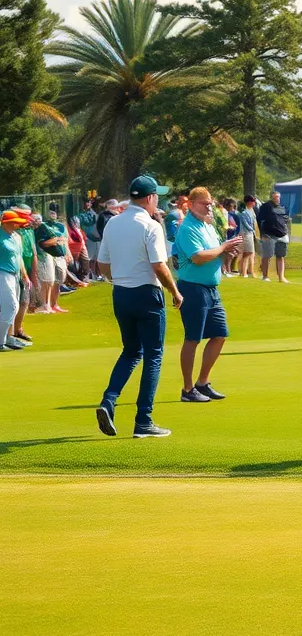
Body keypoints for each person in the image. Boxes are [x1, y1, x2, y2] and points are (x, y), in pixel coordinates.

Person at [94, 175, 182, 439]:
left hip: (121, 294)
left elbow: (103, 265)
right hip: (147, 294)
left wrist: (120, 280)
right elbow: (159, 265)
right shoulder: (151, 226)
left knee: (131, 352)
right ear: (150, 198)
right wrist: (175, 291)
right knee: (153, 356)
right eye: (157, 196)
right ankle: (143, 420)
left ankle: (109, 401)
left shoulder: (113, 223)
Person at [175, 187, 243, 403]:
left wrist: (227, 253)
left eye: (210, 203)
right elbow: (197, 257)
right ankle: (187, 390)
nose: (209, 206)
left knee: (220, 334)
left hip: (211, 289)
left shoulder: (208, 226)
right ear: (192, 204)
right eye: (205, 203)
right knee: (193, 338)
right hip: (192, 288)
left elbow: (214, 254)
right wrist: (223, 247)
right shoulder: (187, 228)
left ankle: (202, 383)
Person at [1, 210, 33, 351]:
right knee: (11, 306)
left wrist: (25, 275)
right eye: (13, 222)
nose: (16, 225)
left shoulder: (16, 237)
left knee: (13, 308)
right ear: (5, 223)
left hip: (15, 274)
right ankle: (1, 341)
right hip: (2, 273)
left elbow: (18, 258)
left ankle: (8, 338)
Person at [34, 209, 70, 313]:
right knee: (48, 281)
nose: (52, 215)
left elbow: (64, 240)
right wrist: (55, 240)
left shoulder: (60, 226)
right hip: (46, 256)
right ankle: (46, 304)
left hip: (59, 256)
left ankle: (53, 304)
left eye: (54, 213)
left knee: (58, 280)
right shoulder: (43, 227)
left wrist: (67, 252)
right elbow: (43, 243)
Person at [257, 190, 291, 283]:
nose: (277, 199)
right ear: (271, 197)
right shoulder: (266, 207)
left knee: (280, 256)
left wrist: (287, 231)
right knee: (267, 255)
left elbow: (286, 220)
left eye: (278, 197)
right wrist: (262, 234)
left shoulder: (283, 208)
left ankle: (281, 277)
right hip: (269, 234)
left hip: (282, 234)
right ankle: (265, 276)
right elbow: (260, 220)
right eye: (275, 197)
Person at [235, 195, 258, 278]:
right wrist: (253, 229)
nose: (254, 203)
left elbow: (254, 222)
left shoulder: (252, 211)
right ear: (249, 202)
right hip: (245, 233)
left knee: (251, 253)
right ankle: (243, 272)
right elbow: (246, 224)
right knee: (247, 252)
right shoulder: (243, 213)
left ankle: (249, 271)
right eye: (253, 201)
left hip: (251, 234)